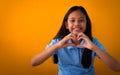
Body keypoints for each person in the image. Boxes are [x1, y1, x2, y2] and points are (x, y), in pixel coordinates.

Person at [31, 6, 120, 75]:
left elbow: (117, 67)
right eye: (72, 20)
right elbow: (34, 62)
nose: (77, 24)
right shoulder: (58, 42)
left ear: (86, 24)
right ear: (66, 24)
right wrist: (57, 46)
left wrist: (94, 48)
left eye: (81, 20)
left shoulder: (93, 42)